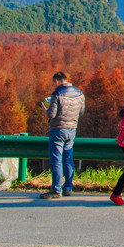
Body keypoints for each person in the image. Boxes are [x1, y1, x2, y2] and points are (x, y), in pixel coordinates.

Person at [41, 70, 85, 200]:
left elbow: (51, 114)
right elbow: (81, 112)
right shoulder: (79, 93)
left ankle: (56, 189)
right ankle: (68, 187)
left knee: (56, 160)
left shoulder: (57, 93)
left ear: (56, 81)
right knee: (68, 159)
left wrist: (46, 109)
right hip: (72, 129)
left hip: (58, 129)